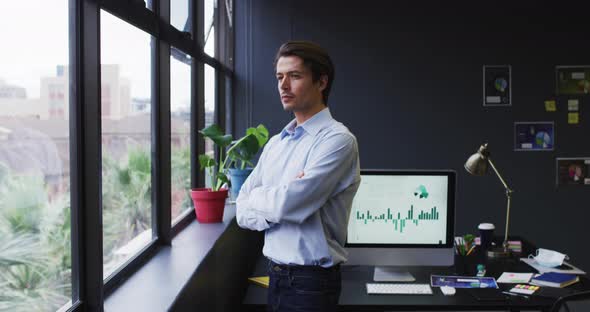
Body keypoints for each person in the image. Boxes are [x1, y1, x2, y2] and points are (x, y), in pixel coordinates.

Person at [236, 41, 361, 312]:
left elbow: (288, 204)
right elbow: (241, 209)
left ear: (321, 82)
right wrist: (279, 200)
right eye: (280, 77)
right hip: (276, 277)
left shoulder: (337, 141)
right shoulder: (276, 144)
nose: (283, 85)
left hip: (311, 284)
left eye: (294, 76)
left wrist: (264, 197)